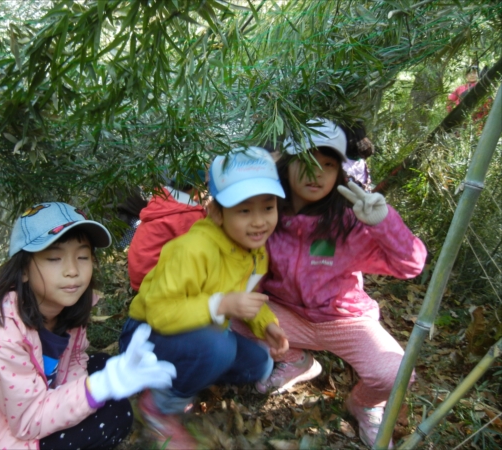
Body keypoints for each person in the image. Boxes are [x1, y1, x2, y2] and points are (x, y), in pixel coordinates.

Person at [233, 119, 427, 448]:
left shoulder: (349, 222)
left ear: (339, 171)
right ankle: (296, 361)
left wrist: (384, 222)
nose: (317, 173)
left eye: (328, 164)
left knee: (397, 374)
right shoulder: (270, 216)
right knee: (231, 316)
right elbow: (251, 272)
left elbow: (409, 265)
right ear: (288, 166)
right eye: (307, 162)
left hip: (344, 320)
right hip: (289, 316)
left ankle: (365, 403)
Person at [0, 202, 176, 450]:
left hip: (26, 404)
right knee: (114, 417)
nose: (72, 271)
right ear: (23, 270)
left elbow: (76, 358)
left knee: (102, 365)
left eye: (82, 256)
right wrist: (100, 387)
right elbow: (27, 420)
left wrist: (97, 386)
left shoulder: (65, 307)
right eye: (55, 258)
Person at [119, 147, 290, 449]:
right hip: (147, 335)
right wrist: (221, 305)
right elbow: (159, 311)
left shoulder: (254, 248)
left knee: (260, 365)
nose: (259, 221)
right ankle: (158, 407)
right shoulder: (193, 249)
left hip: (200, 331)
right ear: (216, 212)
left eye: (268, 207)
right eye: (244, 210)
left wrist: (268, 325)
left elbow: (246, 294)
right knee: (218, 348)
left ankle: (184, 372)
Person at [128, 171, 207, 291]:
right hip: (155, 284)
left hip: (139, 274)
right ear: (196, 189)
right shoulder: (188, 215)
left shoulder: (160, 200)